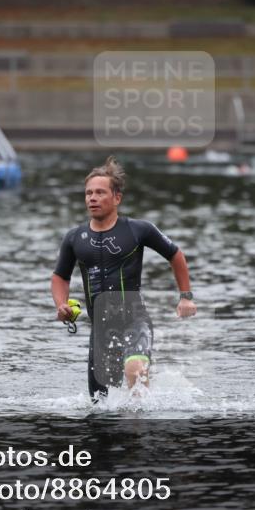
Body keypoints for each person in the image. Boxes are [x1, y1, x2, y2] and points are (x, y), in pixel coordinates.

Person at [51, 156, 196, 401]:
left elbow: (175, 255)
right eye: (88, 193)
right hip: (100, 331)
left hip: (134, 321)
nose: (92, 198)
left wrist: (186, 297)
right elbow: (59, 277)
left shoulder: (138, 230)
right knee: (100, 404)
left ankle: (140, 422)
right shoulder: (74, 238)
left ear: (117, 198)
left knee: (134, 370)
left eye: (100, 192)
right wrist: (61, 305)